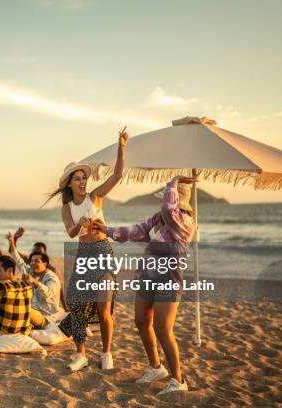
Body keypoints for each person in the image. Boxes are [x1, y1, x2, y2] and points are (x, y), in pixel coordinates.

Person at [93, 175, 196, 394]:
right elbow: (136, 231)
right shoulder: (159, 217)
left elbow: (169, 210)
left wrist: (174, 181)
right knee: (140, 321)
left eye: (169, 196)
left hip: (168, 280)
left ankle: (178, 380)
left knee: (163, 329)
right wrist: (106, 229)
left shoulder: (183, 221)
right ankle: (156, 367)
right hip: (147, 277)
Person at [46, 127, 129, 371]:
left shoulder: (96, 197)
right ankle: (81, 354)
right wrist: (80, 226)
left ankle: (106, 353)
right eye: (78, 178)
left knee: (104, 308)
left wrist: (122, 147)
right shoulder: (67, 207)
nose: (83, 181)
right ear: (70, 184)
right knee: (77, 306)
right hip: (83, 255)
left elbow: (117, 176)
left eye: (84, 177)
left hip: (103, 253)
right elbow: (70, 232)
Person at [7, 232, 62, 328]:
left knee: (20, 311)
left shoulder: (52, 277)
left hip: (48, 316)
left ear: (45, 264)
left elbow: (48, 293)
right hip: (35, 311)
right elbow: (18, 260)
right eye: (31, 261)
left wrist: (34, 281)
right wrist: (12, 242)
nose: (32, 263)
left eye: (36, 261)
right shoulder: (30, 271)